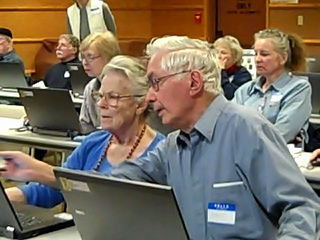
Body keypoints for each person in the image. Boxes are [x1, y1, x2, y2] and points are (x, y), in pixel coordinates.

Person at [2, 36, 320, 239]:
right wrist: (38, 172)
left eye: (156, 83)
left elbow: (301, 208)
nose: (150, 97)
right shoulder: (173, 145)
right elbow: (110, 182)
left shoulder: (245, 129)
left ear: (193, 82)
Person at [1, 55, 165, 208]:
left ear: (141, 104)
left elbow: (117, 198)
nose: (101, 104)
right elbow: (53, 190)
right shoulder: (95, 142)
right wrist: (7, 196)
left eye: (113, 97)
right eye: (100, 96)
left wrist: (39, 171)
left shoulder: (161, 153)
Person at [232, 29, 311, 143]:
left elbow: (281, 134)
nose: (257, 59)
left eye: (264, 54)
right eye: (255, 53)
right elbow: (228, 126)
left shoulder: (298, 88)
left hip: (278, 157)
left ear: (283, 58)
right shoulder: (246, 90)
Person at [79, 31, 120, 134]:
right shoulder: (90, 87)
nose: (85, 62)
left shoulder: (123, 86)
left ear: (108, 57)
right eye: (82, 57)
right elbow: (85, 125)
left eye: (90, 57)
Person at [213, 35, 251, 100]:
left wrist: (222, 71)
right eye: (216, 52)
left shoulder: (243, 74)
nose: (218, 56)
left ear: (235, 57)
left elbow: (230, 95)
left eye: (223, 53)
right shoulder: (210, 71)